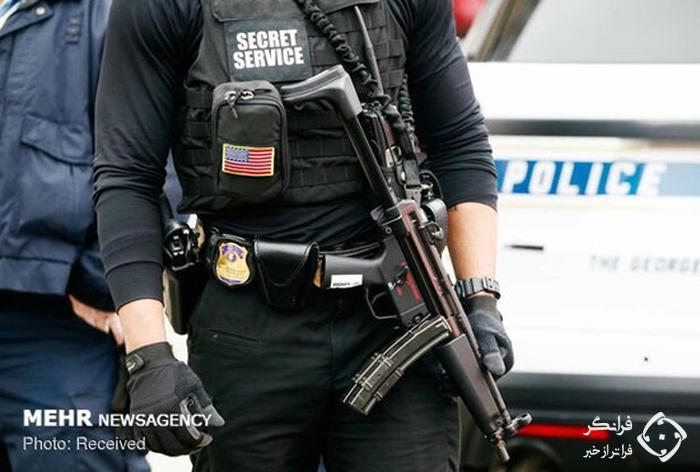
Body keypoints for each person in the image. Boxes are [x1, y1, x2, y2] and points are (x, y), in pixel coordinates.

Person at [94, 0, 514, 470]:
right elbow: (127, 177)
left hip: (395, 315)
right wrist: (148, 356)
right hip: (246, 321)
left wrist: (481, 300)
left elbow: (459, 143)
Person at [0, 0, 149, 470]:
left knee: (71, 454)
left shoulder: (110, 14)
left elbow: (151, 166)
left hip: (58, 324)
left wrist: (100, 278)